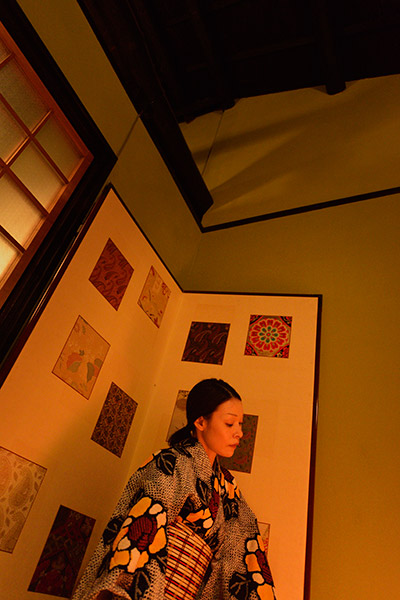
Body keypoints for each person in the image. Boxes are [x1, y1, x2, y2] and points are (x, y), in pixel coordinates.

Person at [72, 378, 275, 600]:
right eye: (229, 423)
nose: (239, 433)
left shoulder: (228, 488)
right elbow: (142, 532)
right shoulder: (171, 462)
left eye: (240, 424)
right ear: (200, 422)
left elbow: (243, 548)